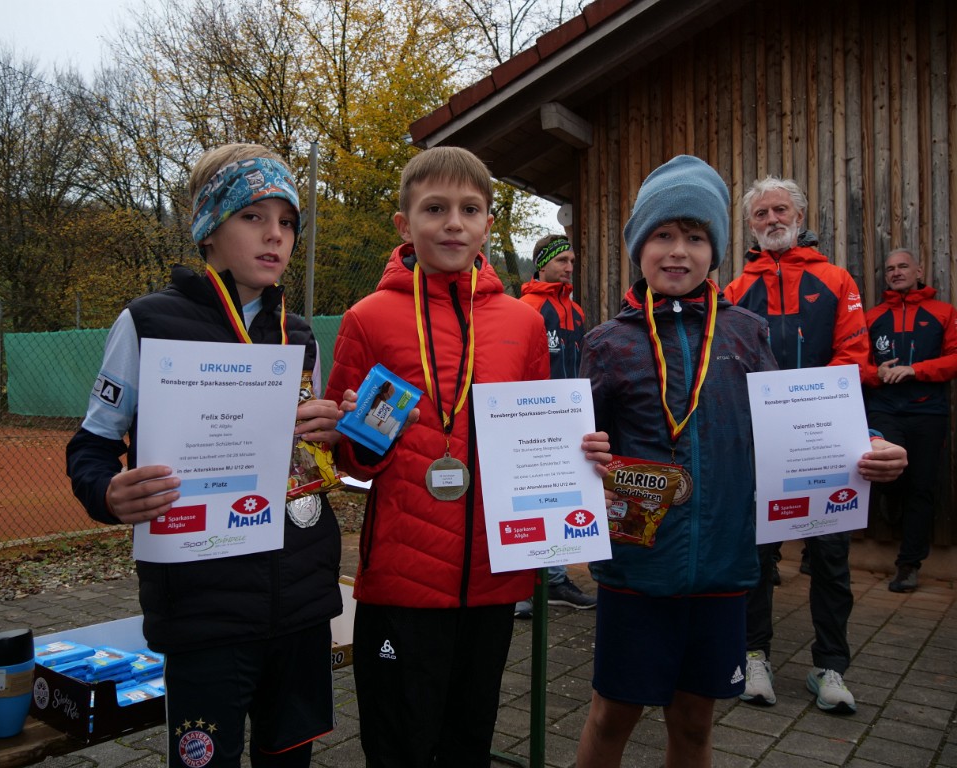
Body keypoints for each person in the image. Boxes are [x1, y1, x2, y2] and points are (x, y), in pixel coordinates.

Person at [325, 146, 610, 768]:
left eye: (469, 209)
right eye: (435, 209)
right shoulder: (367, 319)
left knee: (468, 742)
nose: (453, 223)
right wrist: (363, 434)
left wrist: (577, 455)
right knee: (398, 747)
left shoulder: (521, 323)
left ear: (488, 224)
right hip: (401, 578)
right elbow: (348, 461)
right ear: (404, 224)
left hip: (492, 578)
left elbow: (538, 436)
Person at [66, 144, 345, 768]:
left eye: (288, 221)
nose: (275, 235)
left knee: (289, 758)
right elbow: (93, 444)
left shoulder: (299, 335)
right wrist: (106, 493)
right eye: (253, 217)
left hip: (300, 603)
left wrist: (327, 438)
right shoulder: (146, 322)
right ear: (209, 229)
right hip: (203, 610)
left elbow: (306, 461)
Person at [576, 155, 776, 767]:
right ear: (639, 246)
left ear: (714, 251)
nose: (678, 251)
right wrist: (585, 451)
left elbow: (791, 422)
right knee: (612, 715)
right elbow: (575, 445)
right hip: (638, 569)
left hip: (722, 565)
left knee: (694, 723)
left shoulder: (747, 333)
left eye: (695, 237)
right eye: (662, 234)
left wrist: (863, 444)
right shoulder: (607, 343)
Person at [724, 176, 875, 714]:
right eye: (761, 213)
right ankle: (754, 655)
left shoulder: (835, 279)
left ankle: (830, 666)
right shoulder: (734, 290)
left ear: (800, 216)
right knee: (757, 555)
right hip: (759, 443)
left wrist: (803, 407)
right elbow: (727, 365)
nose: (771, 220)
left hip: (824, 439)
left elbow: (854, 354)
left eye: (780, 210)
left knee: (830, 556)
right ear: (750, 225)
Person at [861, 248, 957, 593]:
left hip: (927, 411)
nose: (896, 272)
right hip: (884, 409)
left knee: (922, 486)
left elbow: (955, 358)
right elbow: (855, 363)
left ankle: (908, 565)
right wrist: (875, 373)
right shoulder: (873, 317)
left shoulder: (943, 313)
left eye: (903, 266)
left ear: (919, 270)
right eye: (890, 269)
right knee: (886, 472)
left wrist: (916, 370)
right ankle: (891, 494)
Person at [513, 234, 595, 618]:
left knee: (563, 498)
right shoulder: (525, 309)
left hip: (569, 420)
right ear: (542, 263)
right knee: (526, 501)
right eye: (562, 260)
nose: (568, 267)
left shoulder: (576, 312)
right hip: (530, 421)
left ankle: (555, 579)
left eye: (572, 261)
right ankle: (519, 586)